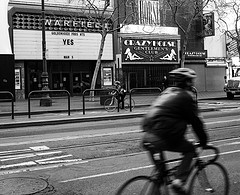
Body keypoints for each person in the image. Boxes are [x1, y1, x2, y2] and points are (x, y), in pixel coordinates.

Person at [141, 68, 208, 194]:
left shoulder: (167, 91)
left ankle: (158, 186)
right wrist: (203, 140)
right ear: (188, 82)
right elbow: (195, 122)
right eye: (191, 81)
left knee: (160, 175)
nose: (193, 83)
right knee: (190, 149)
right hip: (163, 137)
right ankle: (178, 182)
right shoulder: (185, 97)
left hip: (147, 136)